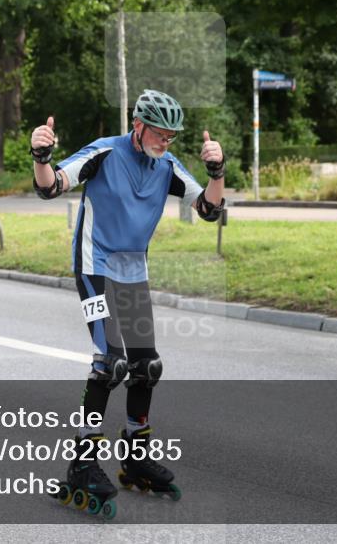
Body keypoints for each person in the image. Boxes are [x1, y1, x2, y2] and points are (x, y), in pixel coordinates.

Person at [31, 89, 225, 514]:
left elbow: (210, 209)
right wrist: (41, 158)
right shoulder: (104, 152)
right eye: (160, 134)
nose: (165, 143)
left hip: (132, 273)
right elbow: (51, 188)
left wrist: (216, 170)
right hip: (95, 266)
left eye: (172, 137)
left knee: (146, 367)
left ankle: (136, 457)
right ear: (137, 126)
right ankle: (82, 466)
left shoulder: (167, 165)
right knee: (110, 363)